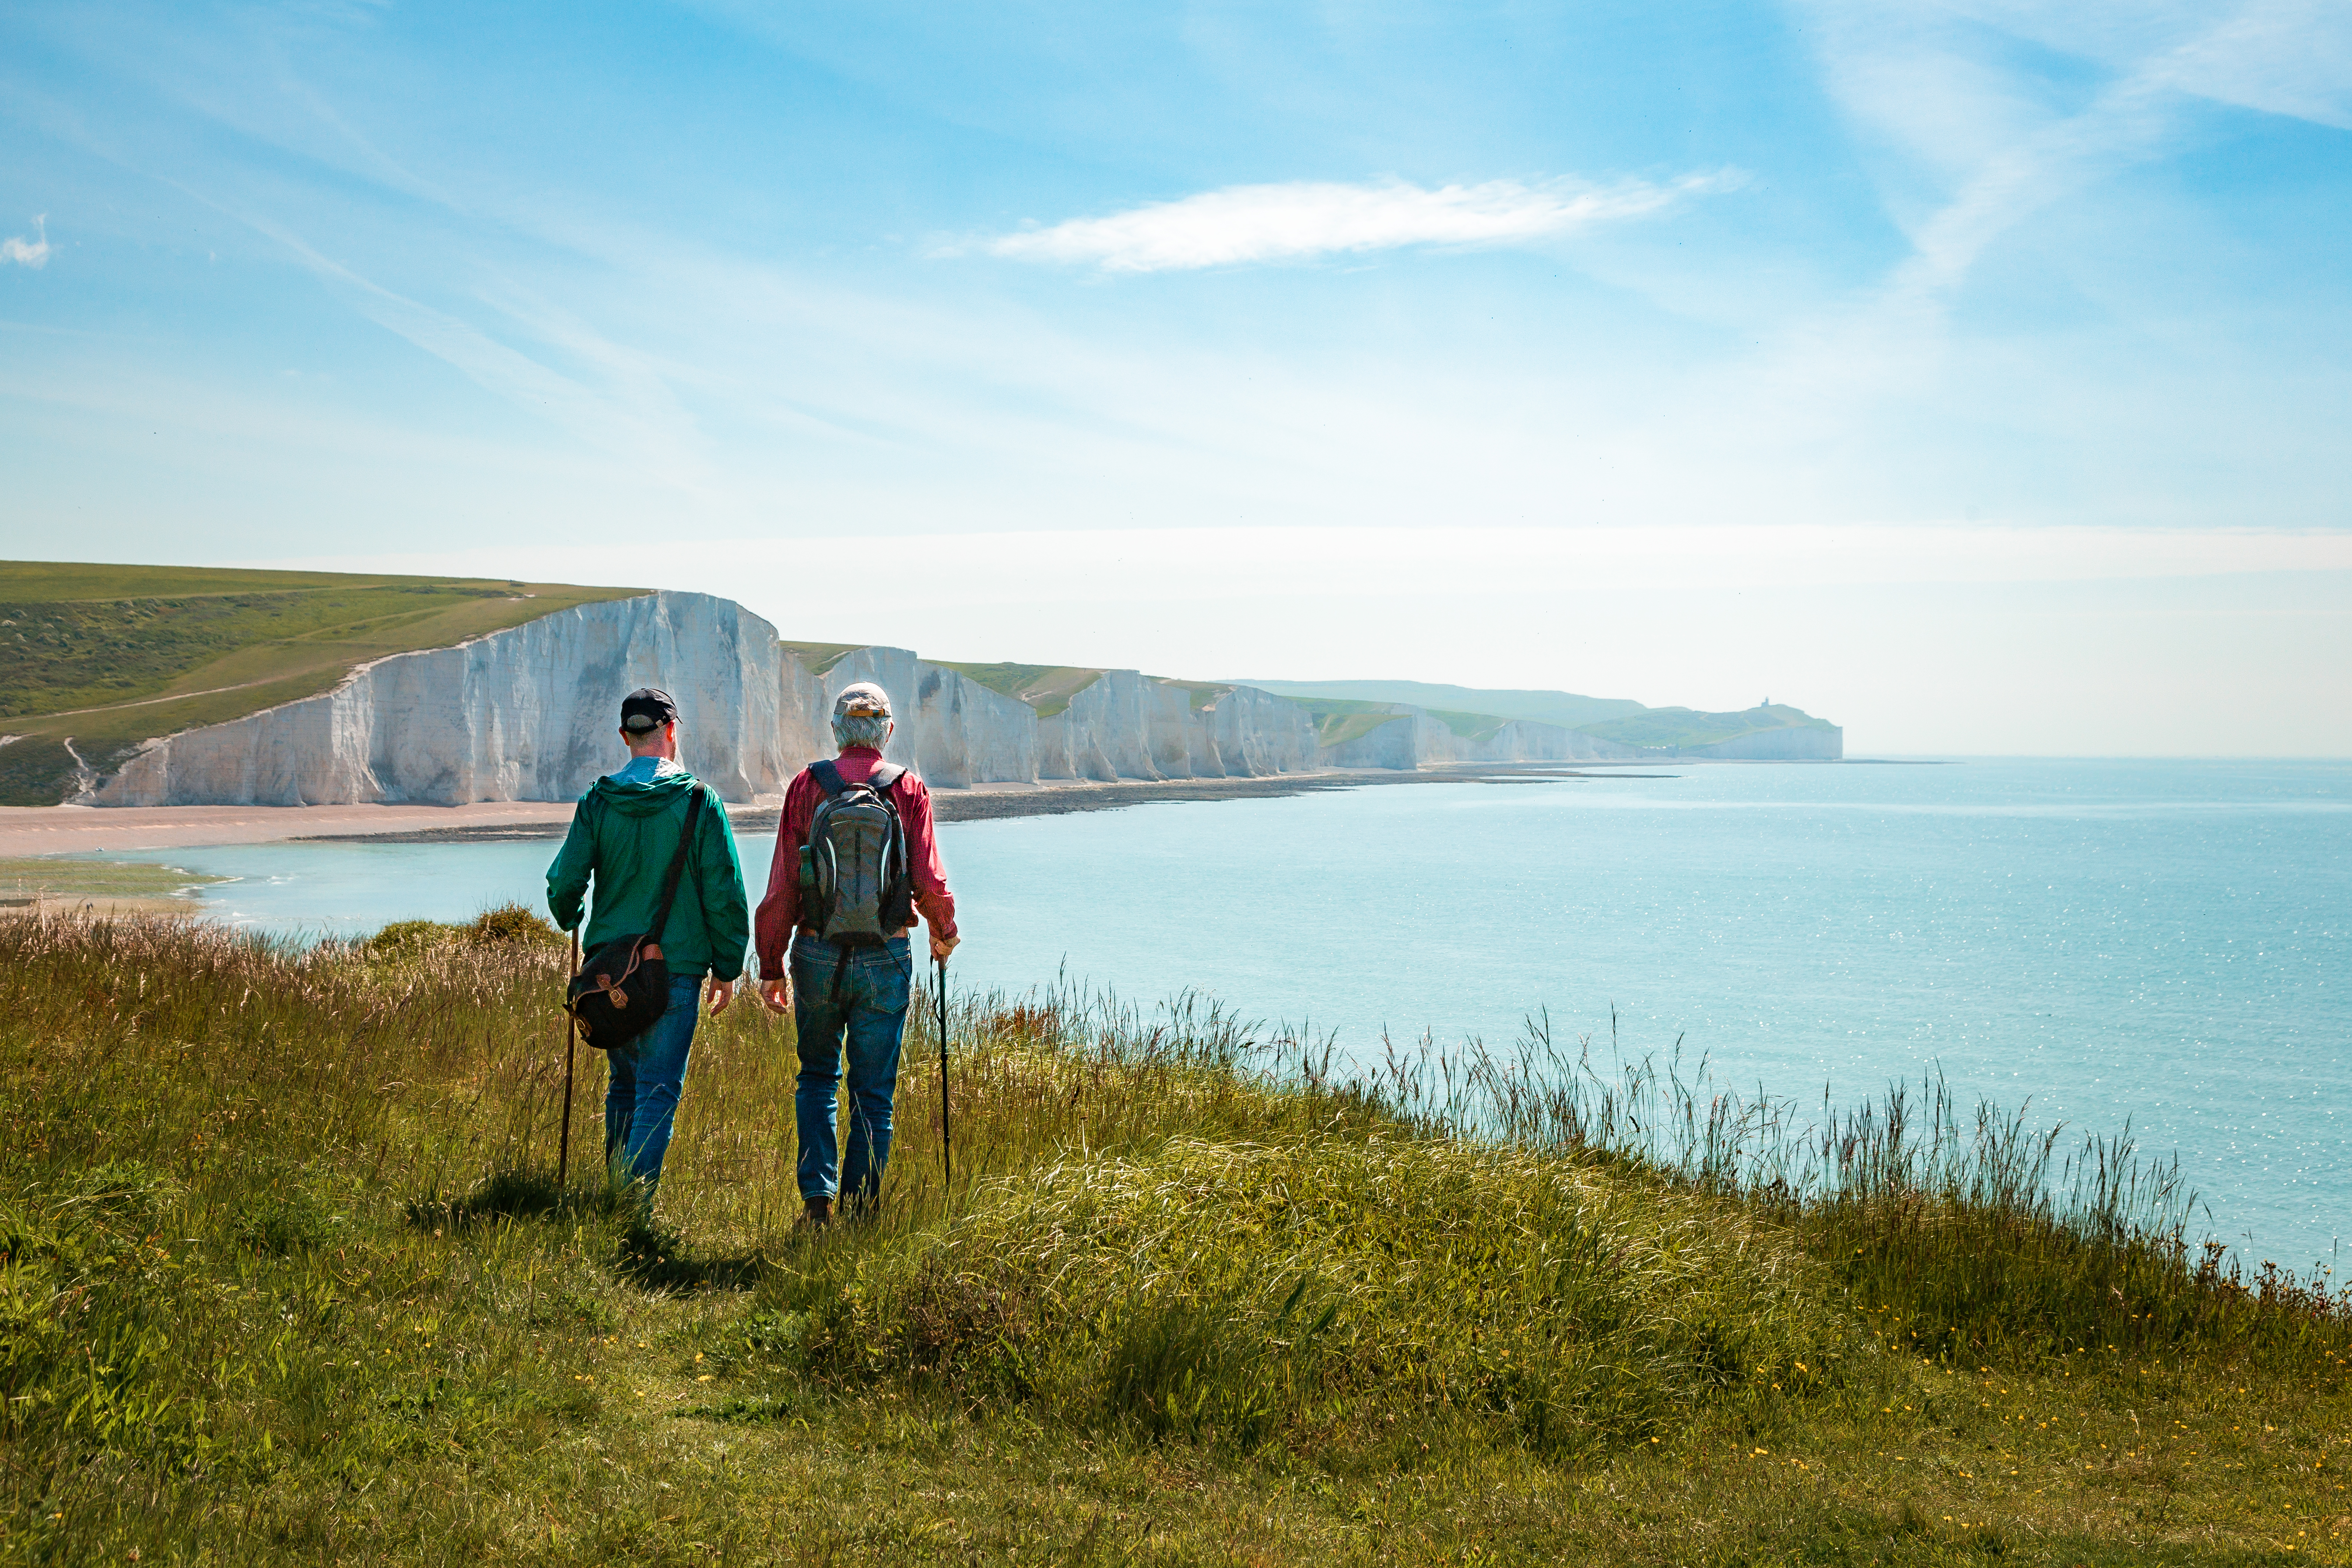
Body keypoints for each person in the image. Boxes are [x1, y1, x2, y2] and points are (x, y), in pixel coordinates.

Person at [756, 681, 959, 1226]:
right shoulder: (908, 788)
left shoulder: (807, 785)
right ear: (886, 732)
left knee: (818, 1077)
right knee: (873, 1093)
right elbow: (928, 877)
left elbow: (783, 884)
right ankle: (861, 1210)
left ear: (837, 733)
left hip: (817, 952)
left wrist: (771, 963)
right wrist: (944, 929)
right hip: (886, 956)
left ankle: (815, 1205)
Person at [547, 687, 750, 1202]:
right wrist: (728, 967)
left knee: (624, 1086)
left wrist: (570, 915)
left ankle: (613, 1196)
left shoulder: (598, 800)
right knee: (658, 1090)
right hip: (674, 972)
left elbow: (564, 882)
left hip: (609, 973)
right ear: (672, 733)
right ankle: (629, 1206)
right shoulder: (699, 801)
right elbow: (724, 892)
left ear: (625, 737)